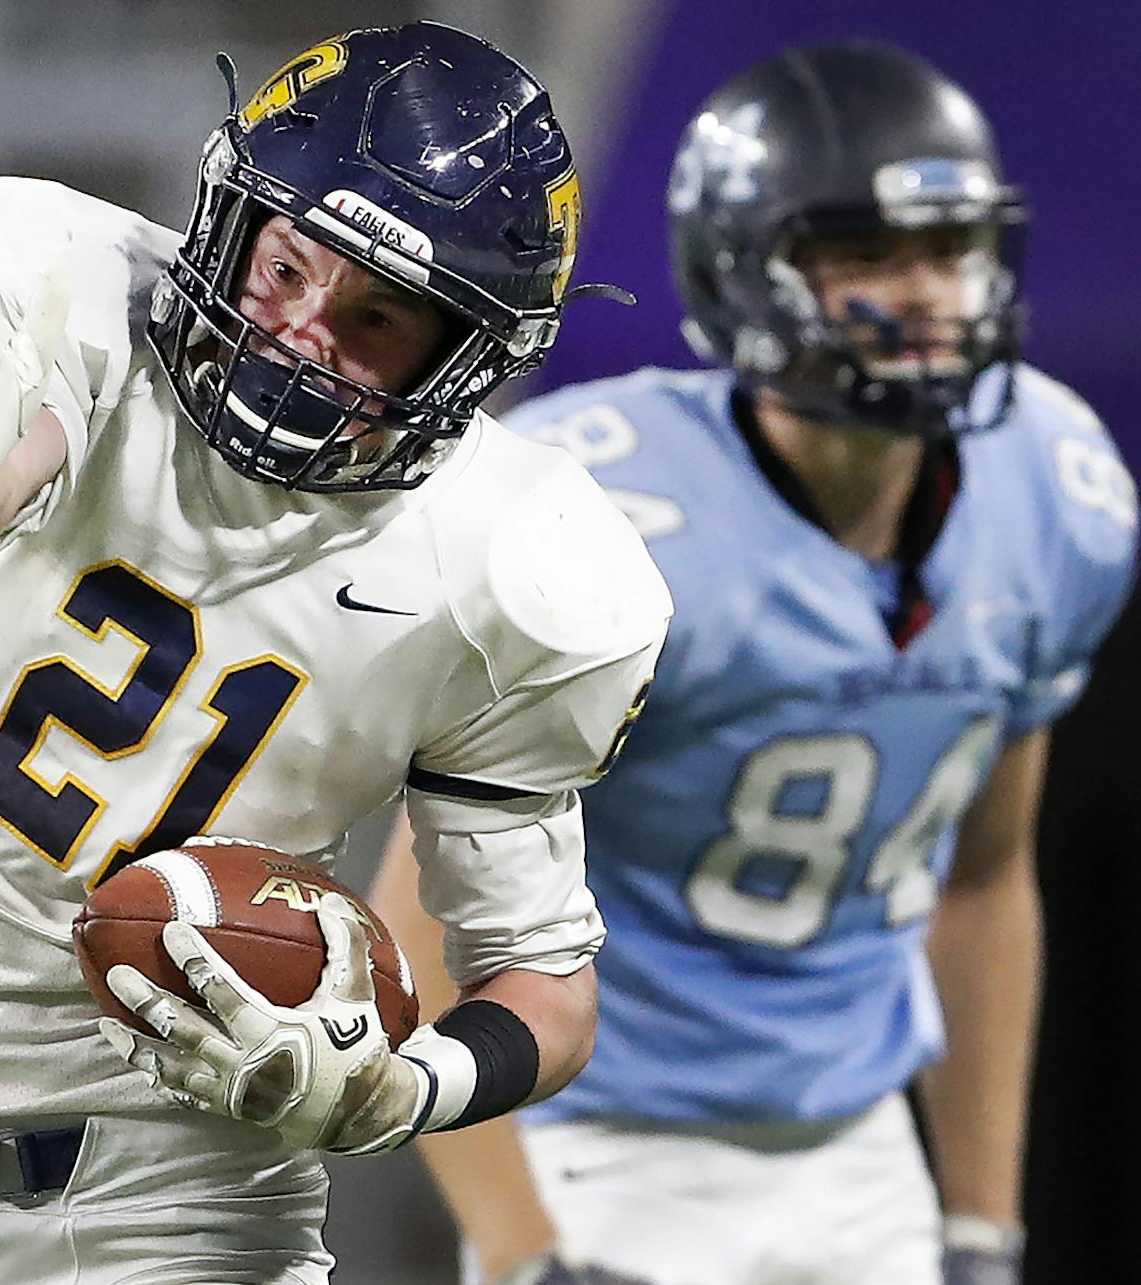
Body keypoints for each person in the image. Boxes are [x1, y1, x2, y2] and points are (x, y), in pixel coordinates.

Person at [0, 22, 671, 1283]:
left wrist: (396, 1089)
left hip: (185, 1195)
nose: (304, 331)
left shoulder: (508, 563)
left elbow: (544, 985)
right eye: (287, 266)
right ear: (228, 217)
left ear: (467, 361)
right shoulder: (67, 276)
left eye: (375, 318)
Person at [368, 41, 1137, 1285]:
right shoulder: (608, 518)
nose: (928, 295)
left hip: (863, 1149)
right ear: (743, 270)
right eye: (866, 256)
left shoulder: (1053, 487)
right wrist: (525, 1247)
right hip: (599, 1147)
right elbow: (421, 923)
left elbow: (985, 881)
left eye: (950, 250)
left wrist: (985, 1227)